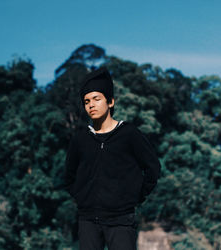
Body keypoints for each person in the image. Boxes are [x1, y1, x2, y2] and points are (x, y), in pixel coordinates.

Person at [64, 67, 161, 250]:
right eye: (86, 101)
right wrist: (82, 197)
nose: (91, 105)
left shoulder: (129, 134)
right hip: (88, 221)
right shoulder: (81, 139)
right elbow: (69, 176)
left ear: (110, 102)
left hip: (121, 220)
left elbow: (153, 168)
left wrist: (135, 196)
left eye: (96, 99)